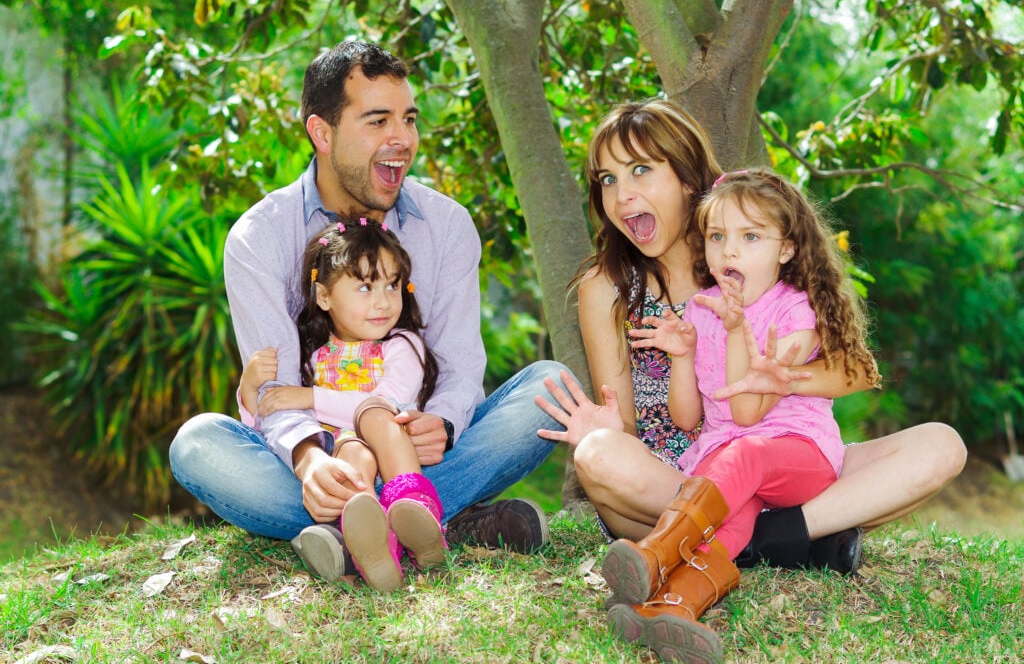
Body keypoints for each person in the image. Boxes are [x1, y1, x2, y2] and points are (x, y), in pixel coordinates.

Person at [535, 99, 965, 661]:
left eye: (640, 170)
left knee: (940, 444)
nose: (621, 195)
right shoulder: (608, 286)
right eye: (607, 179)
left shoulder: (748, 254)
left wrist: (780, 380)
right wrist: (610, 426)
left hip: (783, 455)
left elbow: (853, 369)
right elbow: (644, 421)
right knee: (598, 455)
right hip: (676, 478)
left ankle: (758, 540)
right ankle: (790, 540)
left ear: (687, 178)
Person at [170, 40, 568, 582]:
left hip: (418, 452)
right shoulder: (258, 238)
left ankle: (358, 532)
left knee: (551, 387)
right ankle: (435, 520)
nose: (402, 139)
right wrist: (310, 462)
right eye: (378, 121)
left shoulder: (447, 225)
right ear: (322, 133)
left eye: (409, 119)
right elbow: (275, 393)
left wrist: (443, 424)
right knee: (197, 445)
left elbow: (458, 368)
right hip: (326, 455)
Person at [602, 168, 884, 657]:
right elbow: (688, 419)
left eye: (750, 237)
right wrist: (683, 356)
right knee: (728, 524)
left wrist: (736, 330)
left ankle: (655, 553)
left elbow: (748, 412)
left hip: (798, 453)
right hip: (729, 462)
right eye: (717, 237)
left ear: (786, 249)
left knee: (745, 454)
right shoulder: (701, 309)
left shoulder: (794, 313)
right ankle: (672, 608)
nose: (729, 252)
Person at [240, 219, 448, 591]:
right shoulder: (315, 358)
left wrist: (310, 397)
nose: (383, 301)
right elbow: (267, 429)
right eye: (365, 287)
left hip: (394, 454)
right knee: (351, 452)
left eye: (392, 285)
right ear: (324, 296)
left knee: (375, 415)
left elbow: (386, 402)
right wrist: (249, 389)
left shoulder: (402, 346)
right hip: (347, 462)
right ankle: (373, 539)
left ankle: (416, 507)